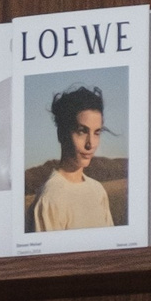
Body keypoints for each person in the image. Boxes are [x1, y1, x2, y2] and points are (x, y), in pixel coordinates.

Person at [31, 86, 113, 233]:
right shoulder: (49, 199)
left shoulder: (98, 191)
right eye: (82, 131)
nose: (90, 144)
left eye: (96, 133)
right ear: (61, 134)